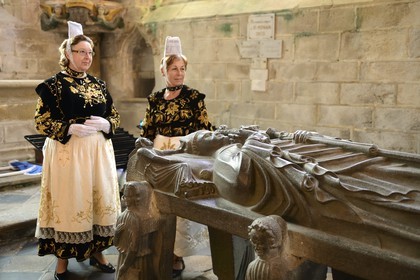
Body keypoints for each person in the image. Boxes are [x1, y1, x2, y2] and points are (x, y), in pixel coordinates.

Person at [34, 21, 121, 280]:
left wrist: (108, 124)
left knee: (97, 201)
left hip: (98, 154)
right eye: (81, 51)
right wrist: (68, 128)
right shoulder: (52, 86)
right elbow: (41, 121)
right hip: (67, 155)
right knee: (70, 202)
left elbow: (114, 115)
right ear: (68, 54)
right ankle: (62, 261)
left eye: (90, 52)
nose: (87, 57)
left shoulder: (99, 84)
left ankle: (98, 253)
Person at [139, 36, 215, 278]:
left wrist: (188, 146)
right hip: (160, 157)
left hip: (183, 159)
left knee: (181, 209)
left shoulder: (194, 98)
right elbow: (148, 130)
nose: (179, 73)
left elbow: (205, 131)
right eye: (174, 69)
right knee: (158, 204)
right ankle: (161, 246)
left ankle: (177, 255)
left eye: (182, 69)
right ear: (164, 70)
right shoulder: (154, 99)